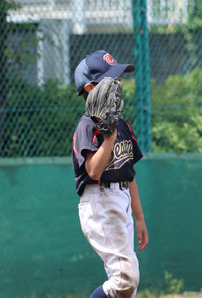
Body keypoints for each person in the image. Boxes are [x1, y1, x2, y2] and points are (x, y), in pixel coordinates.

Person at [72, 50, 149, 298]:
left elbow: (129, 173)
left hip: (121, 201)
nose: (117, 86)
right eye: (110, 81)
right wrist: (110, 136)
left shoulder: (122, 125)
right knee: (125, 280)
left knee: (129, 286)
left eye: (117, 80)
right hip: (100, 202)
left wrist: (139, 217)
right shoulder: (87, 126)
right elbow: (93, 171)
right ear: (90, 88)